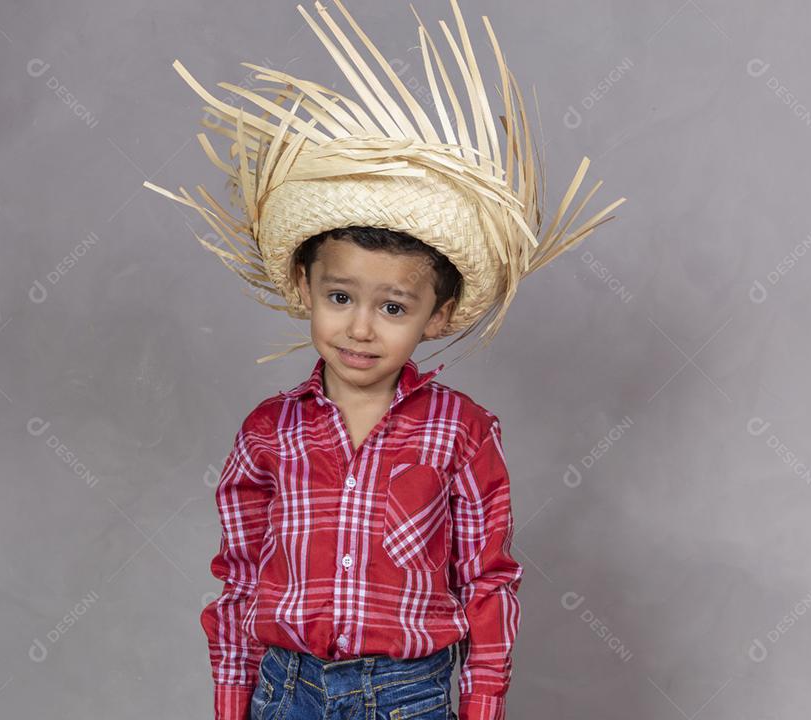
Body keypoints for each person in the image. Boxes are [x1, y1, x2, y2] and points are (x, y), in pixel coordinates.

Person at [142, 2, 625, 718]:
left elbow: (487, 581)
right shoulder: (268, 434)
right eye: (340, 297)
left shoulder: (462, 434)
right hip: (286, 690)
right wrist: (232, 699)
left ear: (438, 316)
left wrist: (482, 703)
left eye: (393, 307)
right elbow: (240, 580)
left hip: (407, 694)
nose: (361, 328)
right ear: (305, 287)